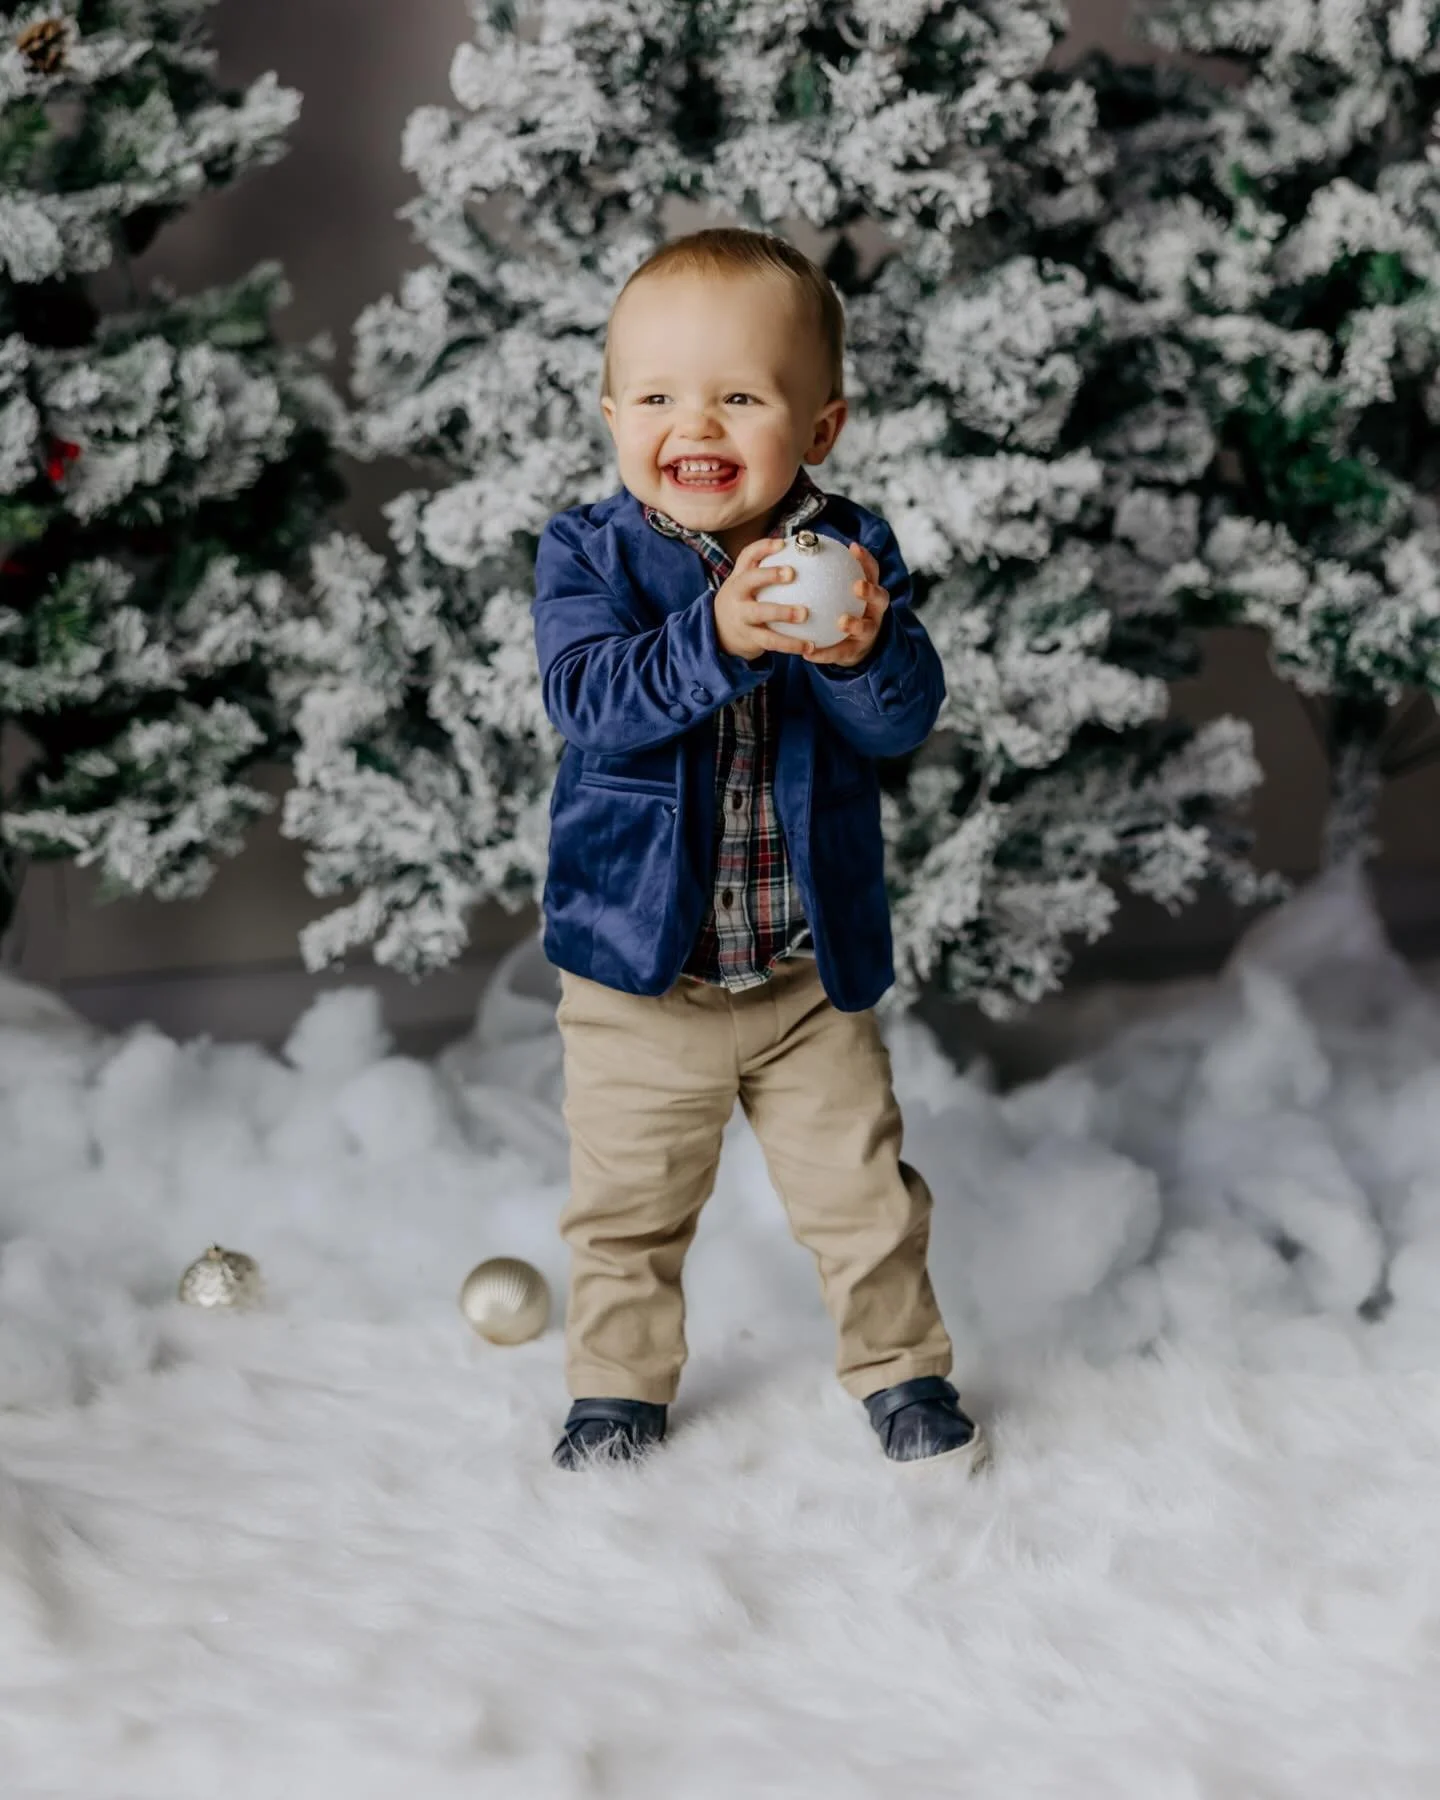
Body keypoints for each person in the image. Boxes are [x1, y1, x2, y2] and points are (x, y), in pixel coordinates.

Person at [532, 227, 988, 1475]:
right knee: (626, 1208)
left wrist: (856, 656)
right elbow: (591, 699)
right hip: (639, 977)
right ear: (615, 414)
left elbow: (902, 718)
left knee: (865, 1199)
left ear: (820, 427)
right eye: (663, 396)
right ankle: (617, 1388)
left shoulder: (851, 552)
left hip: (799, 976)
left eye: (741, 397)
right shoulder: (589, 552)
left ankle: (902, 1375)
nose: (701, 424)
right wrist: (720, 636)